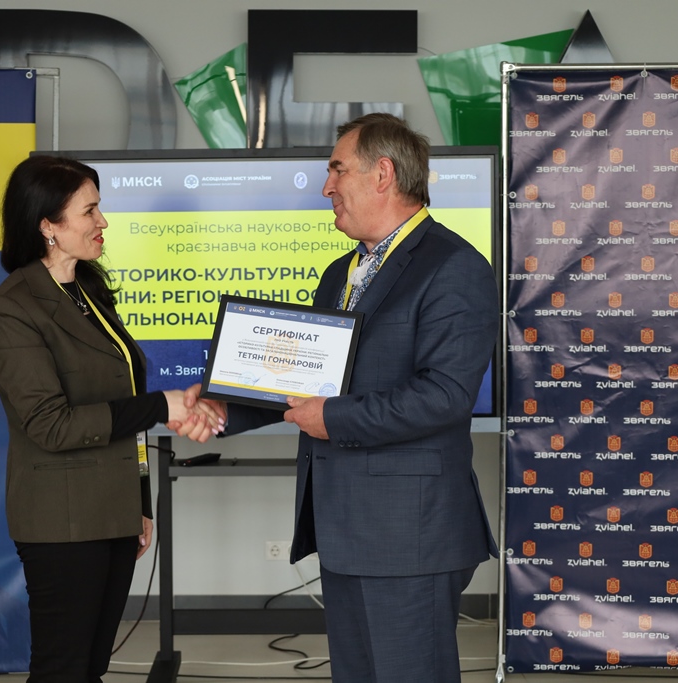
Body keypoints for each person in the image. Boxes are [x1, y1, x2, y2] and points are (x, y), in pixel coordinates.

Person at [177, 113, 499, 682]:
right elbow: (311, 380)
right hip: (344, 528)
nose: (326, 187)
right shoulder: (340, 272)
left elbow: (444, 396)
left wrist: (334, 417)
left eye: (337, 170)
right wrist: (227, 404)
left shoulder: (454, 267)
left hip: (408, 535)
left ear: (383, 174)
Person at [0, 155, 223, 683]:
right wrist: (163, 405)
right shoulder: (13, 308)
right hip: (62, 521)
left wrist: (138, 502)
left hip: (112, 513)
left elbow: (121, 400)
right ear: (47, 225)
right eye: (89, 211)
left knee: (90, 667)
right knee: (62, 669)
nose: (103, 221)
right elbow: (50, 425)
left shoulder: (87, 291)